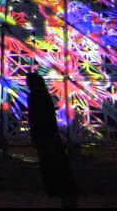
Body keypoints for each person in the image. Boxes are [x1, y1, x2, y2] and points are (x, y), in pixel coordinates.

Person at [27, 72, 79, 208]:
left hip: (43, 137)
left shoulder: (34, 97)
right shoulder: (46, 97)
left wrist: (34, 136)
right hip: (52, 136)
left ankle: (63, 195)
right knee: (59, 166)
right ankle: (68, 196)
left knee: (51, 168)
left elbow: (35, 119)